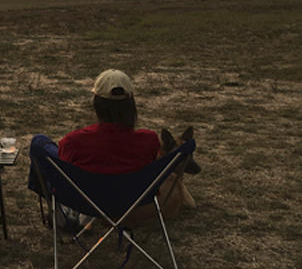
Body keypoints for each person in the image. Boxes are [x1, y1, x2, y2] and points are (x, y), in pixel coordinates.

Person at [43, 69, 192, 227]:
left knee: (43, 148)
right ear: (131, 105)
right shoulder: (149, 140)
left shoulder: (73, 141)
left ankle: (64, 213)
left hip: (88, 203)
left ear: (97, 105)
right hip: (132, 204)